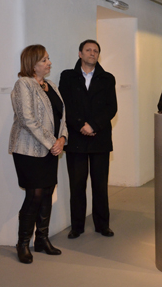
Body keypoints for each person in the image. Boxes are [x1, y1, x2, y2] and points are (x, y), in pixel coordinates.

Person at [9, 44, 68, 264]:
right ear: (32, 64)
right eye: (44, 60)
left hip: (52, 149)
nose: (49, 63)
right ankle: (23, 244)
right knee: (33, 196)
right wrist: (53, 142)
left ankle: (42, 239)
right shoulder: (23, 84)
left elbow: (62, 116)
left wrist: (62, 139)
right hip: (28, 150)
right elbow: (27, 120)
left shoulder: (50, 85)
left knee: (47, 193)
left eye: (48, 59)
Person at [59, 39, 118, 239]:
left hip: (100, 138)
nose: (92, 53)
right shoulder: (67, 77)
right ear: (80, 54)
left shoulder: (108, 78)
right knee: (77, 185)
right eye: (88, 50)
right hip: (76, 138)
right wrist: (81, 125)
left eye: (95, 51)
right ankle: (77, 226)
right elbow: (65, 105)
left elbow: (111, 107)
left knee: (100, 185)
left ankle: (103, 225)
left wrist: (93, 125)